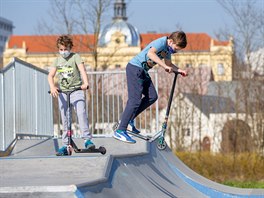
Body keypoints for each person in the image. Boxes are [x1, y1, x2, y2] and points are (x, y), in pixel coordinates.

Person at [113, 31, 188, 143]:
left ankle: (129, 120)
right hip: (135, 68)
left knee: (152, 96)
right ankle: (120, 130)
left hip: (143, 71)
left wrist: (179, 70)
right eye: (176, 48)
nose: (176, 51)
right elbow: (150, 54)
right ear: (171, 41)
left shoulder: (167, 50)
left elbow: (169, 64)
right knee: (135, 100)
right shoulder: (162, 42)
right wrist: (163, 66)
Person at [48, 35, 94, 155]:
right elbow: (50, 76)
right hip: (63, 93)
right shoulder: (57, 60)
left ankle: (87, 139)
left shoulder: (75, 57)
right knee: (65, 118)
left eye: (65, 49)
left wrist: (86, 83)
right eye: (61, 50)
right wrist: (52, 87)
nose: (63, 52)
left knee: (81, 112)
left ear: (70, 47)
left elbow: (82, 70)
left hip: (76, 90)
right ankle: (66, 144)